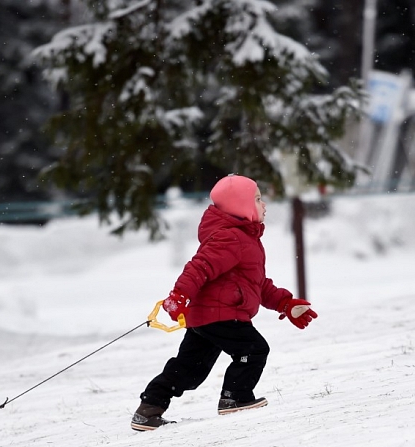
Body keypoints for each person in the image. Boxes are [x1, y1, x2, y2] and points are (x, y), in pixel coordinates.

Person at [131, 174, 317, 431]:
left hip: (208, 316)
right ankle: (235, 397)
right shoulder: (230, 237)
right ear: (242, 206)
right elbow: (199, 268)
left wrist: (285, 303)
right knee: (253, 350)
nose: (264, 205)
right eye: (258, 199)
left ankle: (149, 408)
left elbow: (258, 284)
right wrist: (178, 297)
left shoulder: (244, 239)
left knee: (190, 368)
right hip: (222, 314)